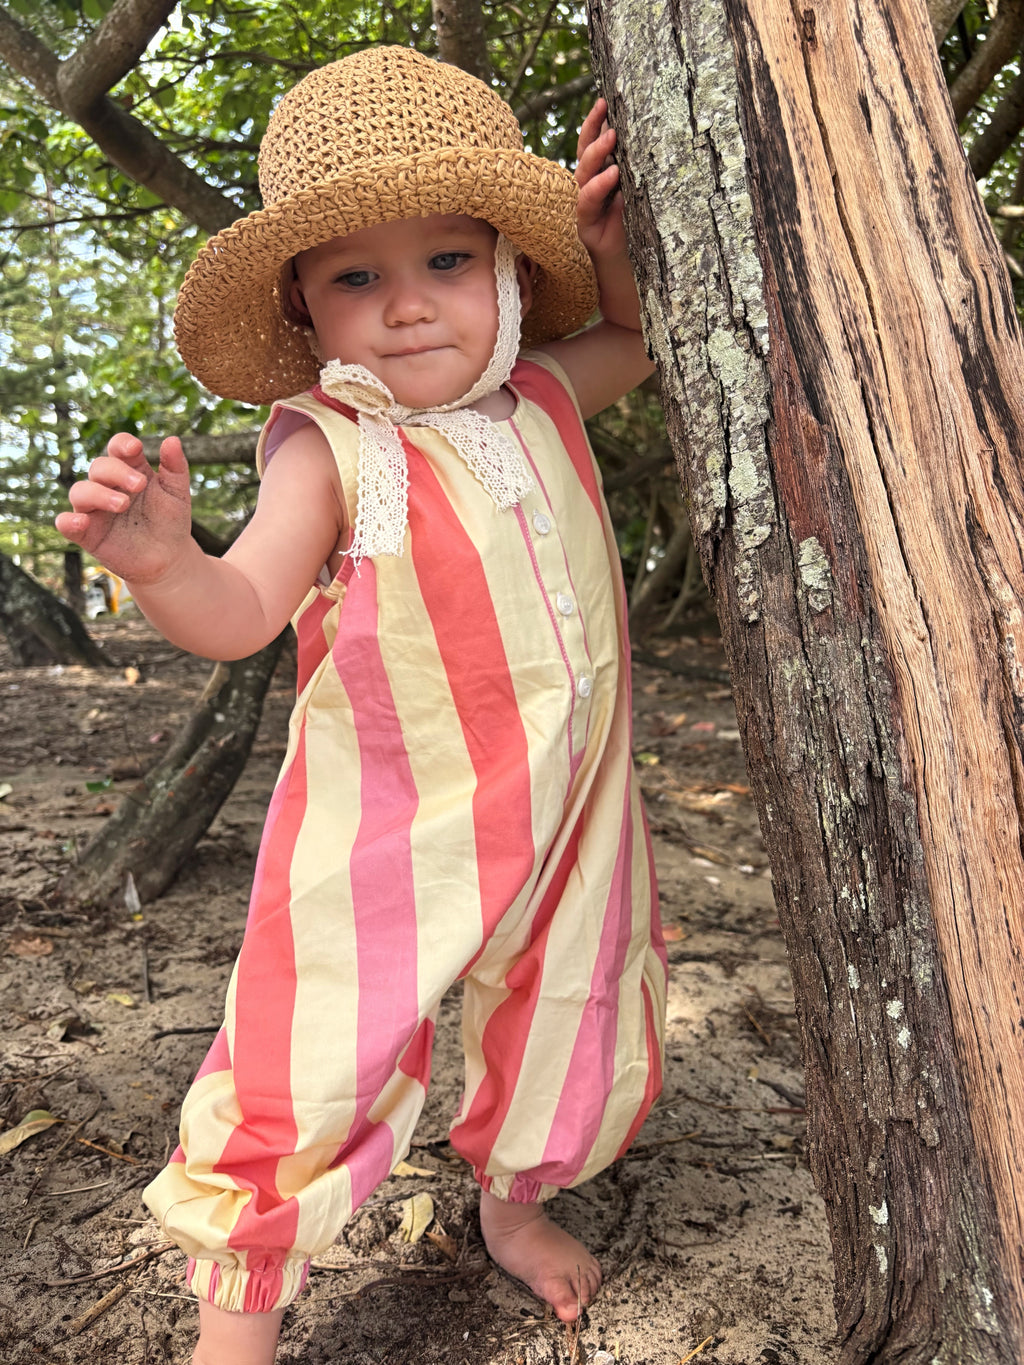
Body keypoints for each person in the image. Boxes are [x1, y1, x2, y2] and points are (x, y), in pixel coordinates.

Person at [56, 45, 668, 1365]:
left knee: (568, 1002)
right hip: (389, 830)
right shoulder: (327, 445)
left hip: (571, 803)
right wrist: (165, 563)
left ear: (510, 268)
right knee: (310, 1050)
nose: (405, 306)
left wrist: (613, 252)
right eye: (355, 278)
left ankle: (514, 1204)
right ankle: (236, 1330)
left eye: (447, 260)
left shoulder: (546, 393)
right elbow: (242, 609)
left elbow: (634, 335)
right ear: (304, 305)